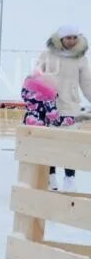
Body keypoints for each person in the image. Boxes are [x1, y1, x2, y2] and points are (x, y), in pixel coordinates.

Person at [35, 25, 91, 192]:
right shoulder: (47, 55)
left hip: (71, 106)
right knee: (52, 142)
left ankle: (69, 178)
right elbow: (36, 76)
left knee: (69, 144)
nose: (71, 41)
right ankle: (51, 176)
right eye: (68, 38)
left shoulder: (81, 58)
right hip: (50, 105)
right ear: (61, 39)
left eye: (74, 37)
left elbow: (87, 82)